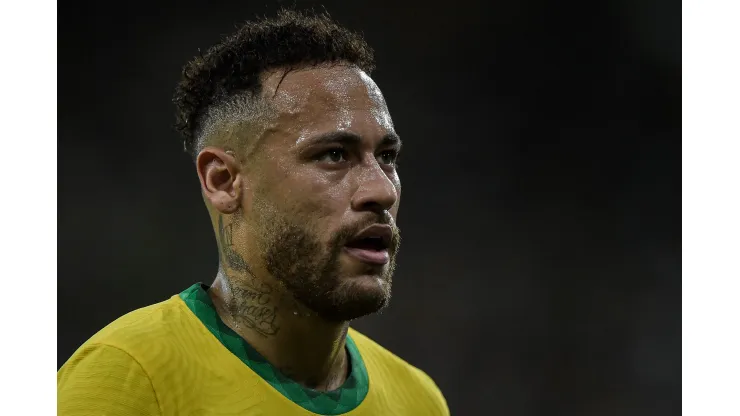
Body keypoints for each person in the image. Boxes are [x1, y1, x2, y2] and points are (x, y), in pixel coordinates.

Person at [57, 9, 449, 416]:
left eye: (387, 157)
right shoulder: (125, 381)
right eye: (334, 155)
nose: (382, 190)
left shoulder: (419, 400)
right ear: (223, 181)